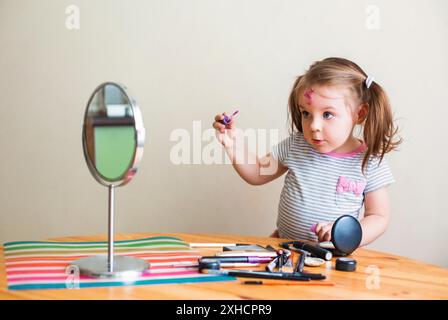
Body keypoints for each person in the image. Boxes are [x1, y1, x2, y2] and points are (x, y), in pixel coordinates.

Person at [212, 57, 401, 246]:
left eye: (327, 114)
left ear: (359, 114)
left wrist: (345, 235)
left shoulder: (368, 161)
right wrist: (233, 144)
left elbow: (378, 216)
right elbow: (256, 172)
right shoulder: (296, 145)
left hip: (331, 259)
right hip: (284, 249)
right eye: (306, 114)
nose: (314, 126)